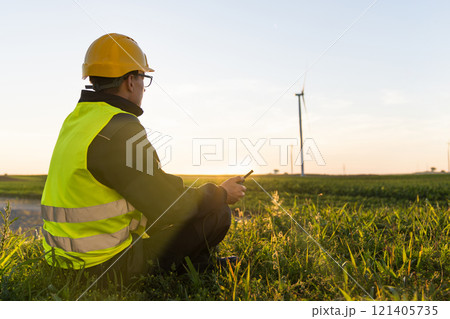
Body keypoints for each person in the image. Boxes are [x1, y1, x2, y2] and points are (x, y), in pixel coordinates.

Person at [41, 33, 246, 283]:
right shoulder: (120, 128)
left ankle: (199, 265)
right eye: (143, 78)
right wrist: (221, 194)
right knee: (217, 214)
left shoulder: (77, 120)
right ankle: (193, 271)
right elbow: (169, 205)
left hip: (63, 260)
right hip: (104, 268)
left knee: (170, 221)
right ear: (130, 81)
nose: (143, 87)